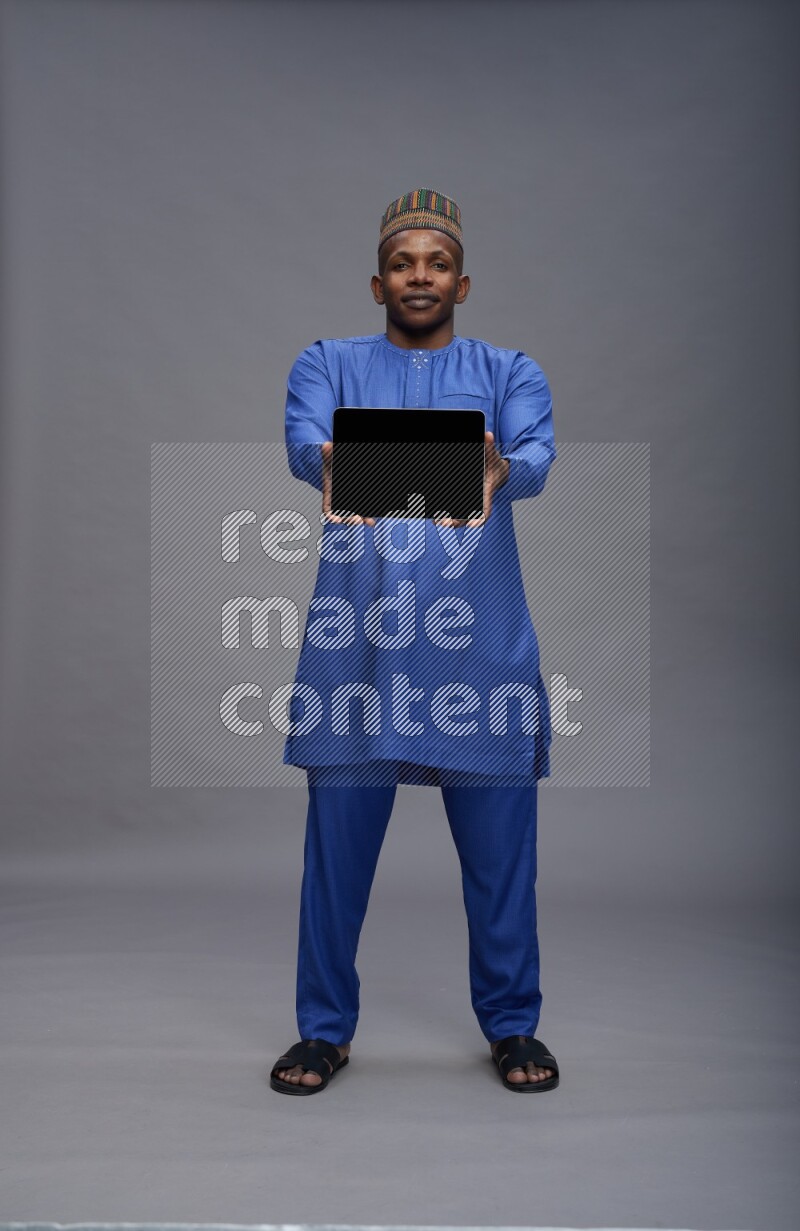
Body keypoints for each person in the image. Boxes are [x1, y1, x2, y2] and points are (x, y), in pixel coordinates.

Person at [270, 189, 559, 1094]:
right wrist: (459, 464)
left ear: (462, 282)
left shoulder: (512, 369)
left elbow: (531, 465)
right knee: (335, 861)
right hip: (356, 654)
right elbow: (309, 452)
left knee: (503, 862)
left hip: (479, 654)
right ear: (377, 282)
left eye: (436, 263)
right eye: (403, 264)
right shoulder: (327, 362)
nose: (419, 276)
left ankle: (513, 1027)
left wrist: (482, 466)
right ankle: (323, 1031)